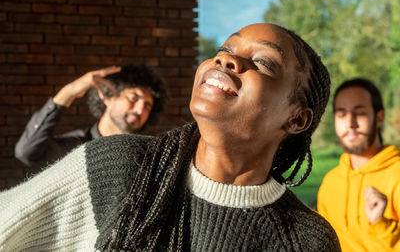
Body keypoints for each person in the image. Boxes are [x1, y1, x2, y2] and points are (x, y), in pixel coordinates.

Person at [0, 23, 340, 251]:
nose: (227, 59)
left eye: (264, 62)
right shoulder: (121, 167)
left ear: (297, 118)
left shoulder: (306, 240)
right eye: (225, 48)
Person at [14, 64, 167, 167]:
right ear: (108, 97)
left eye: (147, 106)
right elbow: (26, 152)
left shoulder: (149, 153)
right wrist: (68, 92)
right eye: (133, 98)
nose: (140, 110)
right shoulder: (74, 147)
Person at [318, 78, 400, 251]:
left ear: (379, 118)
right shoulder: (330, 183)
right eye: (341, 114)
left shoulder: (396, 176)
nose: (350, 123)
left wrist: (379, 224)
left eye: (360, 112)